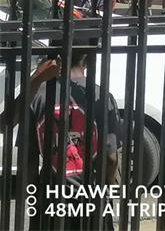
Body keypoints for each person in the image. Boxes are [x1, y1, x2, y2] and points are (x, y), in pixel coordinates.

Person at [24, 48, 121, 231]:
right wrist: (105, 189)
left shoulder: (38, 95)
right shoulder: (102, 97)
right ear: (89, 58)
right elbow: (111, 158)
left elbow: (29, 159)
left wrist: (35, 197)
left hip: (51, 195)